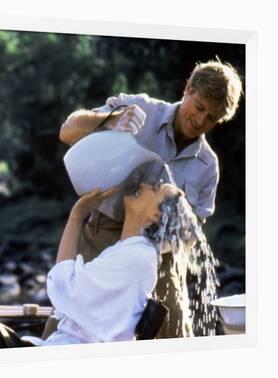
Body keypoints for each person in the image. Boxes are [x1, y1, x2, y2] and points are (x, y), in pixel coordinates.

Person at [58, 59, 243, 338]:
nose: (201, 121)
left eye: (212, 119)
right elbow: (67, 131)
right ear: (187, 90)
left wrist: (148, 248)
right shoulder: (140, 110)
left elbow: (191, 234)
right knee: (70, 320)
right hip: (103, 234)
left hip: (159, 254)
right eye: (201, 108)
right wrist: (110, 121)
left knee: (175, 335)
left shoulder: (207, 166)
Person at [0, 182, 197, 352]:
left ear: (156, 215)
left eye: (155, 188)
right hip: (55, 347)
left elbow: (63, 285)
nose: (145, 184)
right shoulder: (129, 253)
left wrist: (76, 216)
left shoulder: (137, 258)